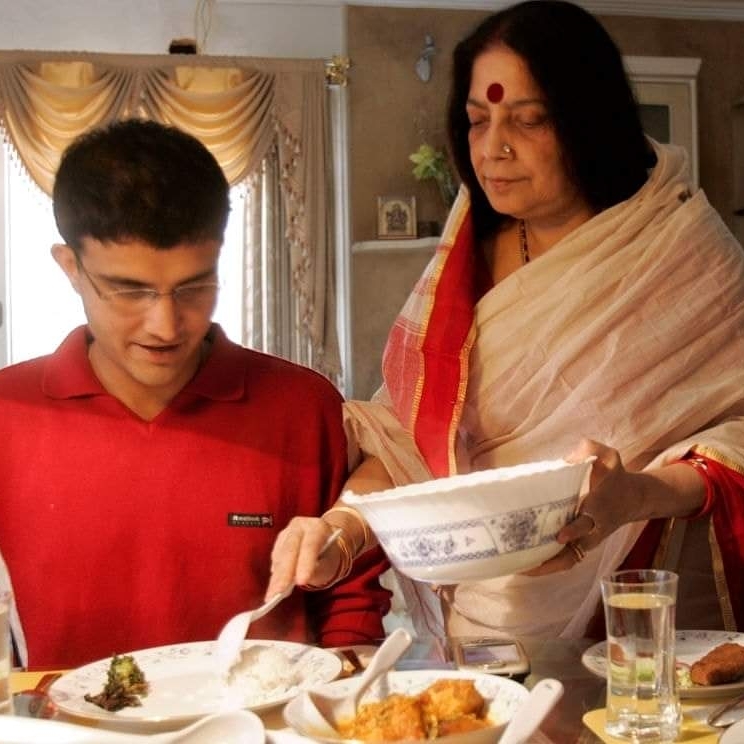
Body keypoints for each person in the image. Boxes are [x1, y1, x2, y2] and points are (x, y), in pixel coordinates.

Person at [267, 0, 744, 641]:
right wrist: (341, 529)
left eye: (528, 119)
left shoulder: (681, 249)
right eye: (476, 119)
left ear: (588, 121)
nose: (494, 148)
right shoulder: (466, 252)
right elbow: (408, 439)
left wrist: (638, 493)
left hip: (641, 614)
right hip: (485, 620)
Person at [0, 119, 390, 670]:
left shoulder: (301, 405)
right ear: (71, 268)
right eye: (128, 290)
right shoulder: (9, 415)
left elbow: (351, 599)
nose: (165, 324)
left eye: (194, 285)